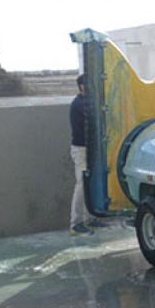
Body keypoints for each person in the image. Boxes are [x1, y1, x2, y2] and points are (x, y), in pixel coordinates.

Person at [69, 74, 93, 235]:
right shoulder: (80, 104)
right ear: (82, 86)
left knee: (90, 185)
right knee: (82, 184)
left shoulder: (84, 103)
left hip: (89, 149)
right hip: (81, 150)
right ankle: (75, 223)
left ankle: (91, 218)